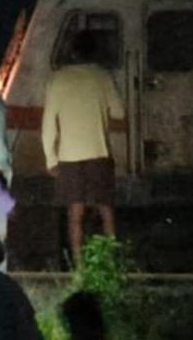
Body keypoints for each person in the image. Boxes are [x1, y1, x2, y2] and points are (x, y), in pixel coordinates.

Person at [41, 30, 125, 268]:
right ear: (94, 51)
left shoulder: (58, 79)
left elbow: (48, 124)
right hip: (99, 153)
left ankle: (78, 268)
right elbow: (120, 112)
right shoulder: (102, 77)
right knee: (106, 211)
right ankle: (110, 264)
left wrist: (51, 159)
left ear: (72, 51)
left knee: (75, 215)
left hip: (69, 157)